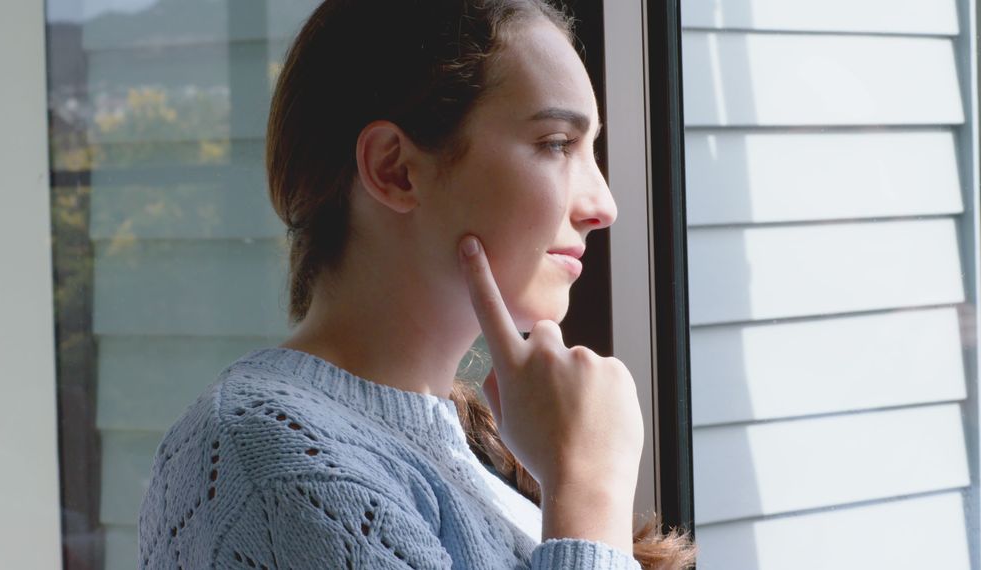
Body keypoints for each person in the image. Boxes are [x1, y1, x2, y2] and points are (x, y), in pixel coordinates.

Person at [137, 0, 697, 568]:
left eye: (591, 149)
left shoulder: (481, 452)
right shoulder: (267, 461)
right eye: (556, 144)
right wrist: (590, 489)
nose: (604, 206)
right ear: (394, 170)